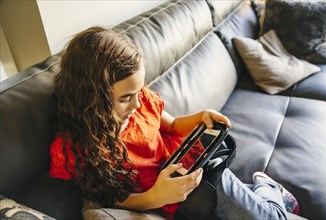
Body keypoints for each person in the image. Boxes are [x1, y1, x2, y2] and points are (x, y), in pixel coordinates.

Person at [49, 26, 299, 219]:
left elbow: (171, 124)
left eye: (138, 93)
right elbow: (110, 197)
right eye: (125, 98)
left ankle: (267, 187)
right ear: (91, 97)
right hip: (175, 202)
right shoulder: (74, 150)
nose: (137, 105)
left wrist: (199, 118)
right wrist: (155, 197)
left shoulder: (141, 101)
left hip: (199, 172)